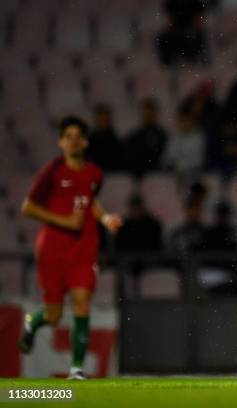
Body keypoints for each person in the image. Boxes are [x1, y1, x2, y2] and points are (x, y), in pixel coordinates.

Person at [18, 116, 122, 379]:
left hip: (83, 249)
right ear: (60, 142)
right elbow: (28, 207)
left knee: (82, 302)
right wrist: (63, 220)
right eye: (69, 137)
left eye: (78, 136)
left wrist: (105, 217)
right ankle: (32, 322)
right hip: (52, 250)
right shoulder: (52, 171)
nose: (74, 141)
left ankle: (76, 369)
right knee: (53, 315)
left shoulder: (94, 173)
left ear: (85, 142)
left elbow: (90, 201)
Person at [123, 98, 168, 178]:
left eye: (150, 112)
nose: (148, 115)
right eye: (145, 112)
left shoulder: (162, 135)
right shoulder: (134, 136)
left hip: (156, 175)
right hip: (137, 175)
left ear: (155, 113)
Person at [86, 104, 122, 172]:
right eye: (100, 117)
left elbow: (118, 159)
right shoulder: (90, 139)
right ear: (96, 119)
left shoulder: (115, 139)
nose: (103, 120)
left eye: (105, 117)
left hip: (112, 172)